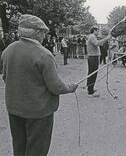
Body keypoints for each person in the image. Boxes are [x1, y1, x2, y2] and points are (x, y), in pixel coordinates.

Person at [1, 14, 78, 156]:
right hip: (39, 113)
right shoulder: (44, 54)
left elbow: (6, 77)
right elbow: (56, 86)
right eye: (43, 32)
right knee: (37, 150)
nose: (44, 35)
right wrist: (70, 87)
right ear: (37, 32)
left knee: (19, 147)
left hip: (14, 109)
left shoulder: (8, 50)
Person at [86, 27, 112, 97]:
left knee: (91, 72)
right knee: (93, 73)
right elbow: (97, 43)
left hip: (93, 57)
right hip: (93, 57)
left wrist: (105, 41)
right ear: (94, 31)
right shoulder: (92, 36)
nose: (98, 33)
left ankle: (90, 88)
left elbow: (99, 44)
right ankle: (90, 91)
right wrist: (106, 38)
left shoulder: (92, 37)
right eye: (98, 31)